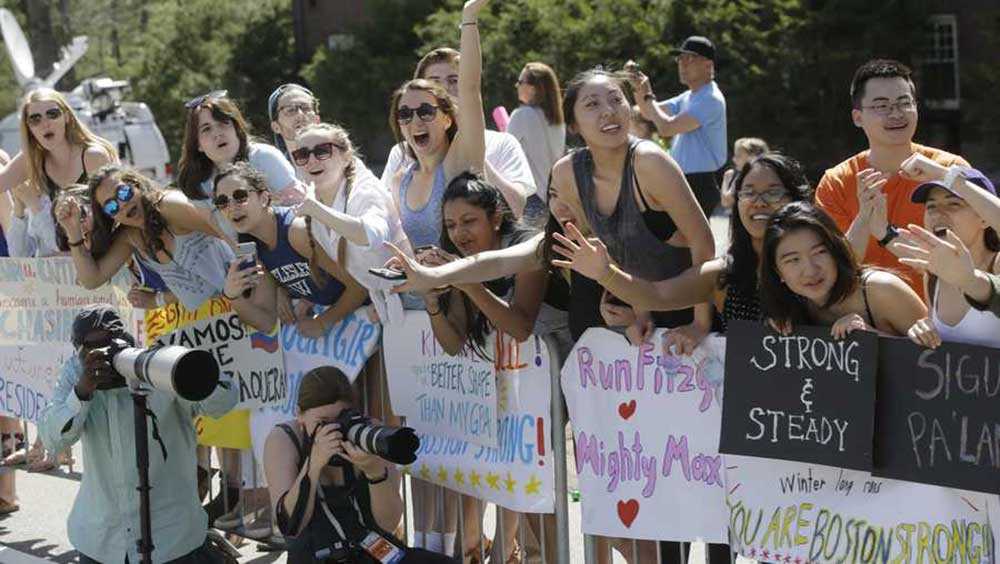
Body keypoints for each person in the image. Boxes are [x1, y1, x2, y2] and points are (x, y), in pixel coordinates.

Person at [38, 305, 238, 563]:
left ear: (127, 340)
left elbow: (224, 402)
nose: (102, 356)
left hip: (172, 538)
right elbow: (54, 440)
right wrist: (82, 392)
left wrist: (187, 370)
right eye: (91, 348)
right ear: (78, 350)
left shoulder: (157, 367)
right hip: (102, 541)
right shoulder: (75, 372)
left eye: (109, 344)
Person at [552, 153, 813, 336]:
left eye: (773, 192)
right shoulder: (723, 276)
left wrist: (839, 322)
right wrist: (605, 273)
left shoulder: (821, 263)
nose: (759, 202)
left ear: (796, 199)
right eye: (748, 193)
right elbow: (657, 295)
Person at [262, 366, 454, 564]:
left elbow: (388, 523)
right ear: (299, 414)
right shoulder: (284, 440)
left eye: (341, 418)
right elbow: (290, 525)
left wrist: (374, 471)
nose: (334, 429)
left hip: (374, 551)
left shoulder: (369, 435)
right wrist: (313, 465)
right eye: (323, 422)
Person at [815, 59, 969, 300]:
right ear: (857, 117)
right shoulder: (836, 183)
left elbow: (971, 257)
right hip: (868, 314)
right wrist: (864, 218)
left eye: (904, 103)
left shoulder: (949, 169)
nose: (896, 114)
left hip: (943, 311)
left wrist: (885, 234)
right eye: (881, 106)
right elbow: (834, 271)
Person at [213, 161, 368, 338]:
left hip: (376, 310)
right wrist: (232, 295)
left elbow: (360, 285)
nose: (232, 207)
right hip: (354, 324)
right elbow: (267, 323)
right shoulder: (255, 248)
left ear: (263, 198)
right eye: (222, 202)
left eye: (240, 196)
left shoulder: (296, 232)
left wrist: (323, 322)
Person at [381, 46, 535, 218]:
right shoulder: (401, 153)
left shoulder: (503, 143)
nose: (445, 89)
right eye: (434, 82)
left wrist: (473, 152)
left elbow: (515, 209)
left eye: (454, 81)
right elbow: (388, 217)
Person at [759, 202, 926, 338]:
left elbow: (937, 357)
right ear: (777, 271)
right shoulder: (789, 307)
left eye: (819, 252)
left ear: (836, 251)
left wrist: (871, 337)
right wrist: (778, 330)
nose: (810, 270)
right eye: (793, 260)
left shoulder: (882, 289)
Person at [888, 155, 1000, 349]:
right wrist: (924, 329)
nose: (938, 213)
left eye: (953, 204)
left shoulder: (997, 264)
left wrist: (944, 174)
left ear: (984, 218)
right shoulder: (933, 274)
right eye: (931, 206)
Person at [176, 91, 305, 243]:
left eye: (223, 123)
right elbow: (228, 238)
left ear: (237, 129)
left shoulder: (264, 157)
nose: (217, 134)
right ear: (197, 144)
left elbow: (302, 213)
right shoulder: (199, 185)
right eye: (206, 129)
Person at [630, 37, 728, 218]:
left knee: (690, 235)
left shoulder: (710, 98)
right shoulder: (690, 96)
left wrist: (648, 94)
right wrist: (638, 87)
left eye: (690, 58)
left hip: (701, 181)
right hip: (687, 179)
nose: (682, 64)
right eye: (680, 59)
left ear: (708, 65)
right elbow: (647, 112)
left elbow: (666, 127)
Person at [506, 62, 565, 206]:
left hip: (530, 196)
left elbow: (505, 155)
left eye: (520, 82)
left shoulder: (522, 115)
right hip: (554, 197)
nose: (516, 85)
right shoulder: (558, 121)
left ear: (534, 88)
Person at [267, 83, 321, 161]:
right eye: (290, 110)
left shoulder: (339, 161)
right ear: (276, 127)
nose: (300, 114)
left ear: (317, 120)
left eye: (306, 108)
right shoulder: (274, 168)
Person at [720, 137, 769, 209]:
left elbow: (727, 201)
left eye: (738, 156)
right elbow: (726, 202)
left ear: (753, 157)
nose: (734, 159)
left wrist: (728, 179)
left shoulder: (746, 177)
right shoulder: (732, 175)